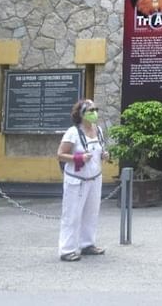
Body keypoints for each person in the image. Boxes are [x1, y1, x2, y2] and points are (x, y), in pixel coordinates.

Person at [56, 98, 109, 261]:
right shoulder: (73, 132)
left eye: (96, 110)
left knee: (91, 212)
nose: (94, 113)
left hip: (94, 178)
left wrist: (104, 155)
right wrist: (78, 158)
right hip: (77, 180)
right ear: (81, 114)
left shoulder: (98, 130)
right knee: (72, 214)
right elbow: (60, 155)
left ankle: (87, 244)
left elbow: (99, 150)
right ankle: (67, 249)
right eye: (91, 110)